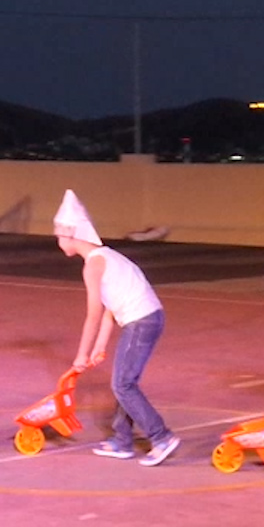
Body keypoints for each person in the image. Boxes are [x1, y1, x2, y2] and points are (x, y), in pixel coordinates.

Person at [55, 189, 180, 466]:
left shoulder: (93, 266)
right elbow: (110, 309)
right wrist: (99, 347)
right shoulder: (107, 257)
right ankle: (122, 442)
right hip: (148, 318)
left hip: (141, 321)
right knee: (124, 383)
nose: (58, 241)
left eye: (59, 236)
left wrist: (81, 355)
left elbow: (92, 314)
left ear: (72, 235)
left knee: (122, 384)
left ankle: (161, 437)